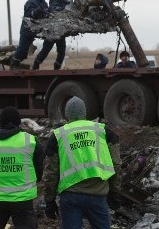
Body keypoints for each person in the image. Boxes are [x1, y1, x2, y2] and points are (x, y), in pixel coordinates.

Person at [43, 96, 122, 229]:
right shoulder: (102, 131)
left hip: (70, 196)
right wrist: (115, 193)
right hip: (98, 194)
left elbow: (51, 173)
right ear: (84, 114)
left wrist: (49, 201)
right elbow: (116, 164)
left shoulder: (58, 135)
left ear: (67, 115)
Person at [0, 106, 44, 229]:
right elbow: (39, 166)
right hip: (22, 199)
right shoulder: (30, 141)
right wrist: (36, 178)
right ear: (18, 122)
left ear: (1, 122)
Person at [11, 0, 49, 70]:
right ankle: (14, 64)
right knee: (23, 49)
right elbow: (29, 15)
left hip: (38, 30)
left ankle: (37, 63)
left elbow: (47, 15)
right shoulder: (30, 2)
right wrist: (38, 10)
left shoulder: (44, 3)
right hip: (27, 30)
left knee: (49, 42)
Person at [32, 0, 70, 70]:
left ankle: (57, 67)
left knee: (62, 51)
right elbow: (53, 10)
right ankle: (36, 63)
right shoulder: (52, 4)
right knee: (45, 50)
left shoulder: (67, 3)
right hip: (51, 32)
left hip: (61, 32)